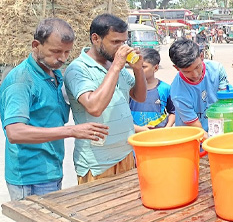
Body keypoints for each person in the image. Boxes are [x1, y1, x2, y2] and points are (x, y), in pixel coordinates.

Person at [0, 19, 109, 200]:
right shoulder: (21, 80)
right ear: (36, 45)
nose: (63, 58)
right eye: (56, 51)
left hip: (51, 169)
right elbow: (14, 132)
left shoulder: (54, 72)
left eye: (67, 52)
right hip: (29, 176)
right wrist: (72, 130)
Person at [65, 14, 146, 184]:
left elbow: (139, 97)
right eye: (115, 42)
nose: (121, 48)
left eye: (123, 42)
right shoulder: (78, 69)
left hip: (125, 155)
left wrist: (138, 70)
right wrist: (116, 66)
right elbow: (94, 107)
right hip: (98, 163)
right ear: (96, 39)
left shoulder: (115, 66)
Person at [169, 39, 228, 132]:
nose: (195, 75)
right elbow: (197, 129)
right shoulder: (177, 92)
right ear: (176, 68)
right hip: (192, 136)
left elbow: (225, 102)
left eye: (197, 67)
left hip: (218, 129)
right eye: (187, 71)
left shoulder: (217, 70)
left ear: (201, 56)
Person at [129, 48, 175, 132]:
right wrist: (139, 129)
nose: (138, 69)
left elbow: (173, 112)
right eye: (135, 66)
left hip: (158, 137)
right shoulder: (129, 88)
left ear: (156, 68)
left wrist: (167, 127)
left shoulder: (165, 88)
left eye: (143, 67)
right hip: (135, 136)